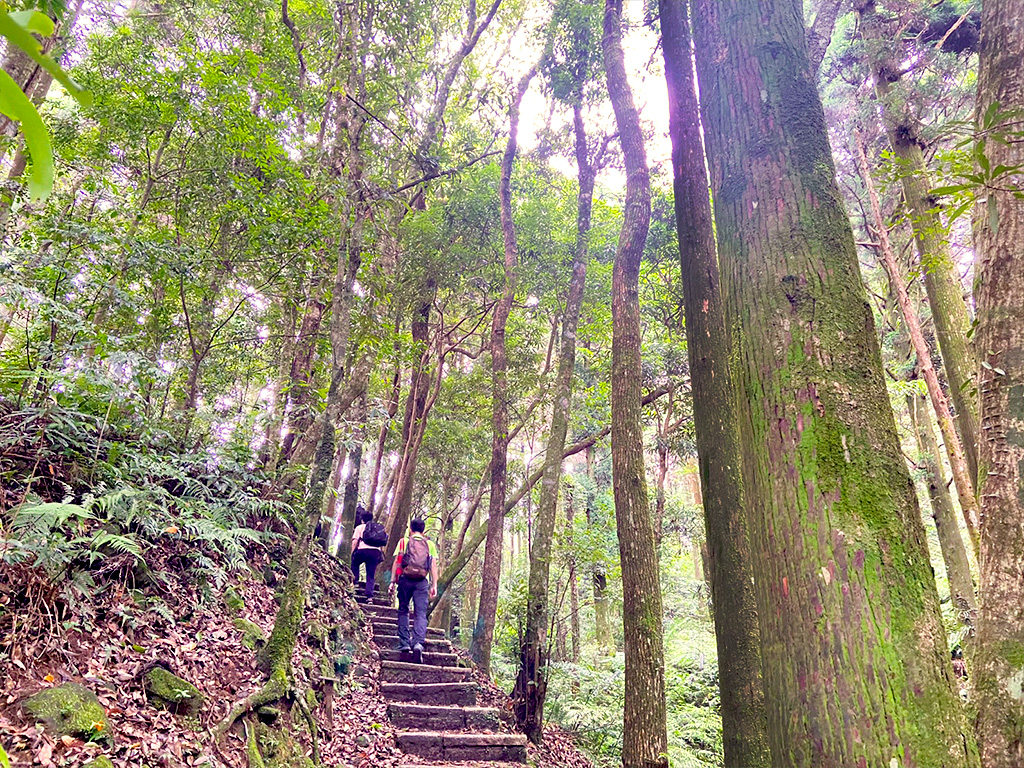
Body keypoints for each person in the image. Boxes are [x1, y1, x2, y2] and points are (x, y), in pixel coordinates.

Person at [389, 517, 438, 657]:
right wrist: (434, 585)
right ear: (423, 531)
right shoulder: (429, 544)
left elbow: (397, 562)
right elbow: (433, 565)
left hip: (405, 579)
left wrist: (393, 581)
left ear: (410, 529)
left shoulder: (403, 542)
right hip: (422, 581)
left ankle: (404, 643)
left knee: (403, 610)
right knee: (420, 613)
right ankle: (418, 643)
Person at [350, 507, 385, 600]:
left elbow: (355, 541)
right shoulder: (377, 528)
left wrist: (352, 552)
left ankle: (355, 582)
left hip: (362, 551)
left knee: (354, 564)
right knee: (370, 574)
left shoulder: (359, 527)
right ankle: (369, 596)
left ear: (362, 519)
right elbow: (381, 543)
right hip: (375, 552)